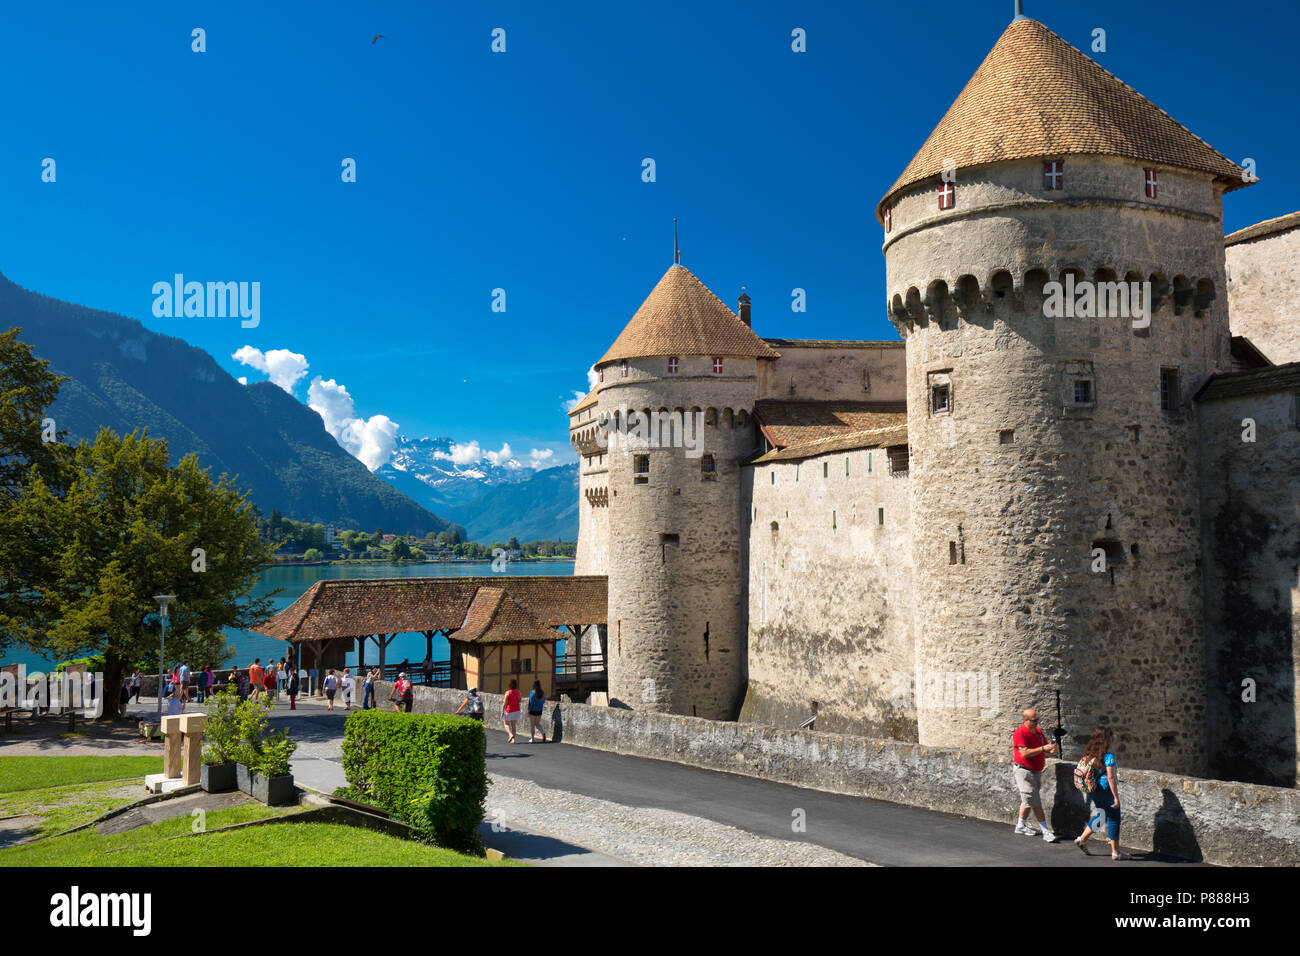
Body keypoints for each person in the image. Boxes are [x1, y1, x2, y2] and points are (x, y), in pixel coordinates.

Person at [1075, 726, 1130, 860]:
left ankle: (1082, 839)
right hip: (1106, 791)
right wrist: (1116, 798)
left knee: (1102, 815)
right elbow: (1111, 777)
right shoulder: (1108, 757)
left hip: (1094, 790)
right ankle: (1116, 852)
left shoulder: (1088, 755)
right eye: (1111, 737)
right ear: (1107, 740)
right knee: (1114, 818)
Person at [1011, 707, 1058, 842]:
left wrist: (1051, 748)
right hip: (1023, 771)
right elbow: (1024, 753)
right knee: (1034, 800)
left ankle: (1020, 826)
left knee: (1028, 799)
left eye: (1037, 719)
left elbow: (1046, 748)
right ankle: (1045, 831)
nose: (1037, 722)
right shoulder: (1020, 733)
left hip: (1036, 771)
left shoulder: (1037, 731)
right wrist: (1043, 748)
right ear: (1026, 720)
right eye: (1034, 720)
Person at [502, 679, 522, 743]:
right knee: (513, 725)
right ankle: (513, 740)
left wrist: (502, 711)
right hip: (516, 710)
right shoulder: (518, 692)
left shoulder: (507, 693)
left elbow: (504, 703)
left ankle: (510, 734)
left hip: (509, 710)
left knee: (506, 724)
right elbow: (519, 700)